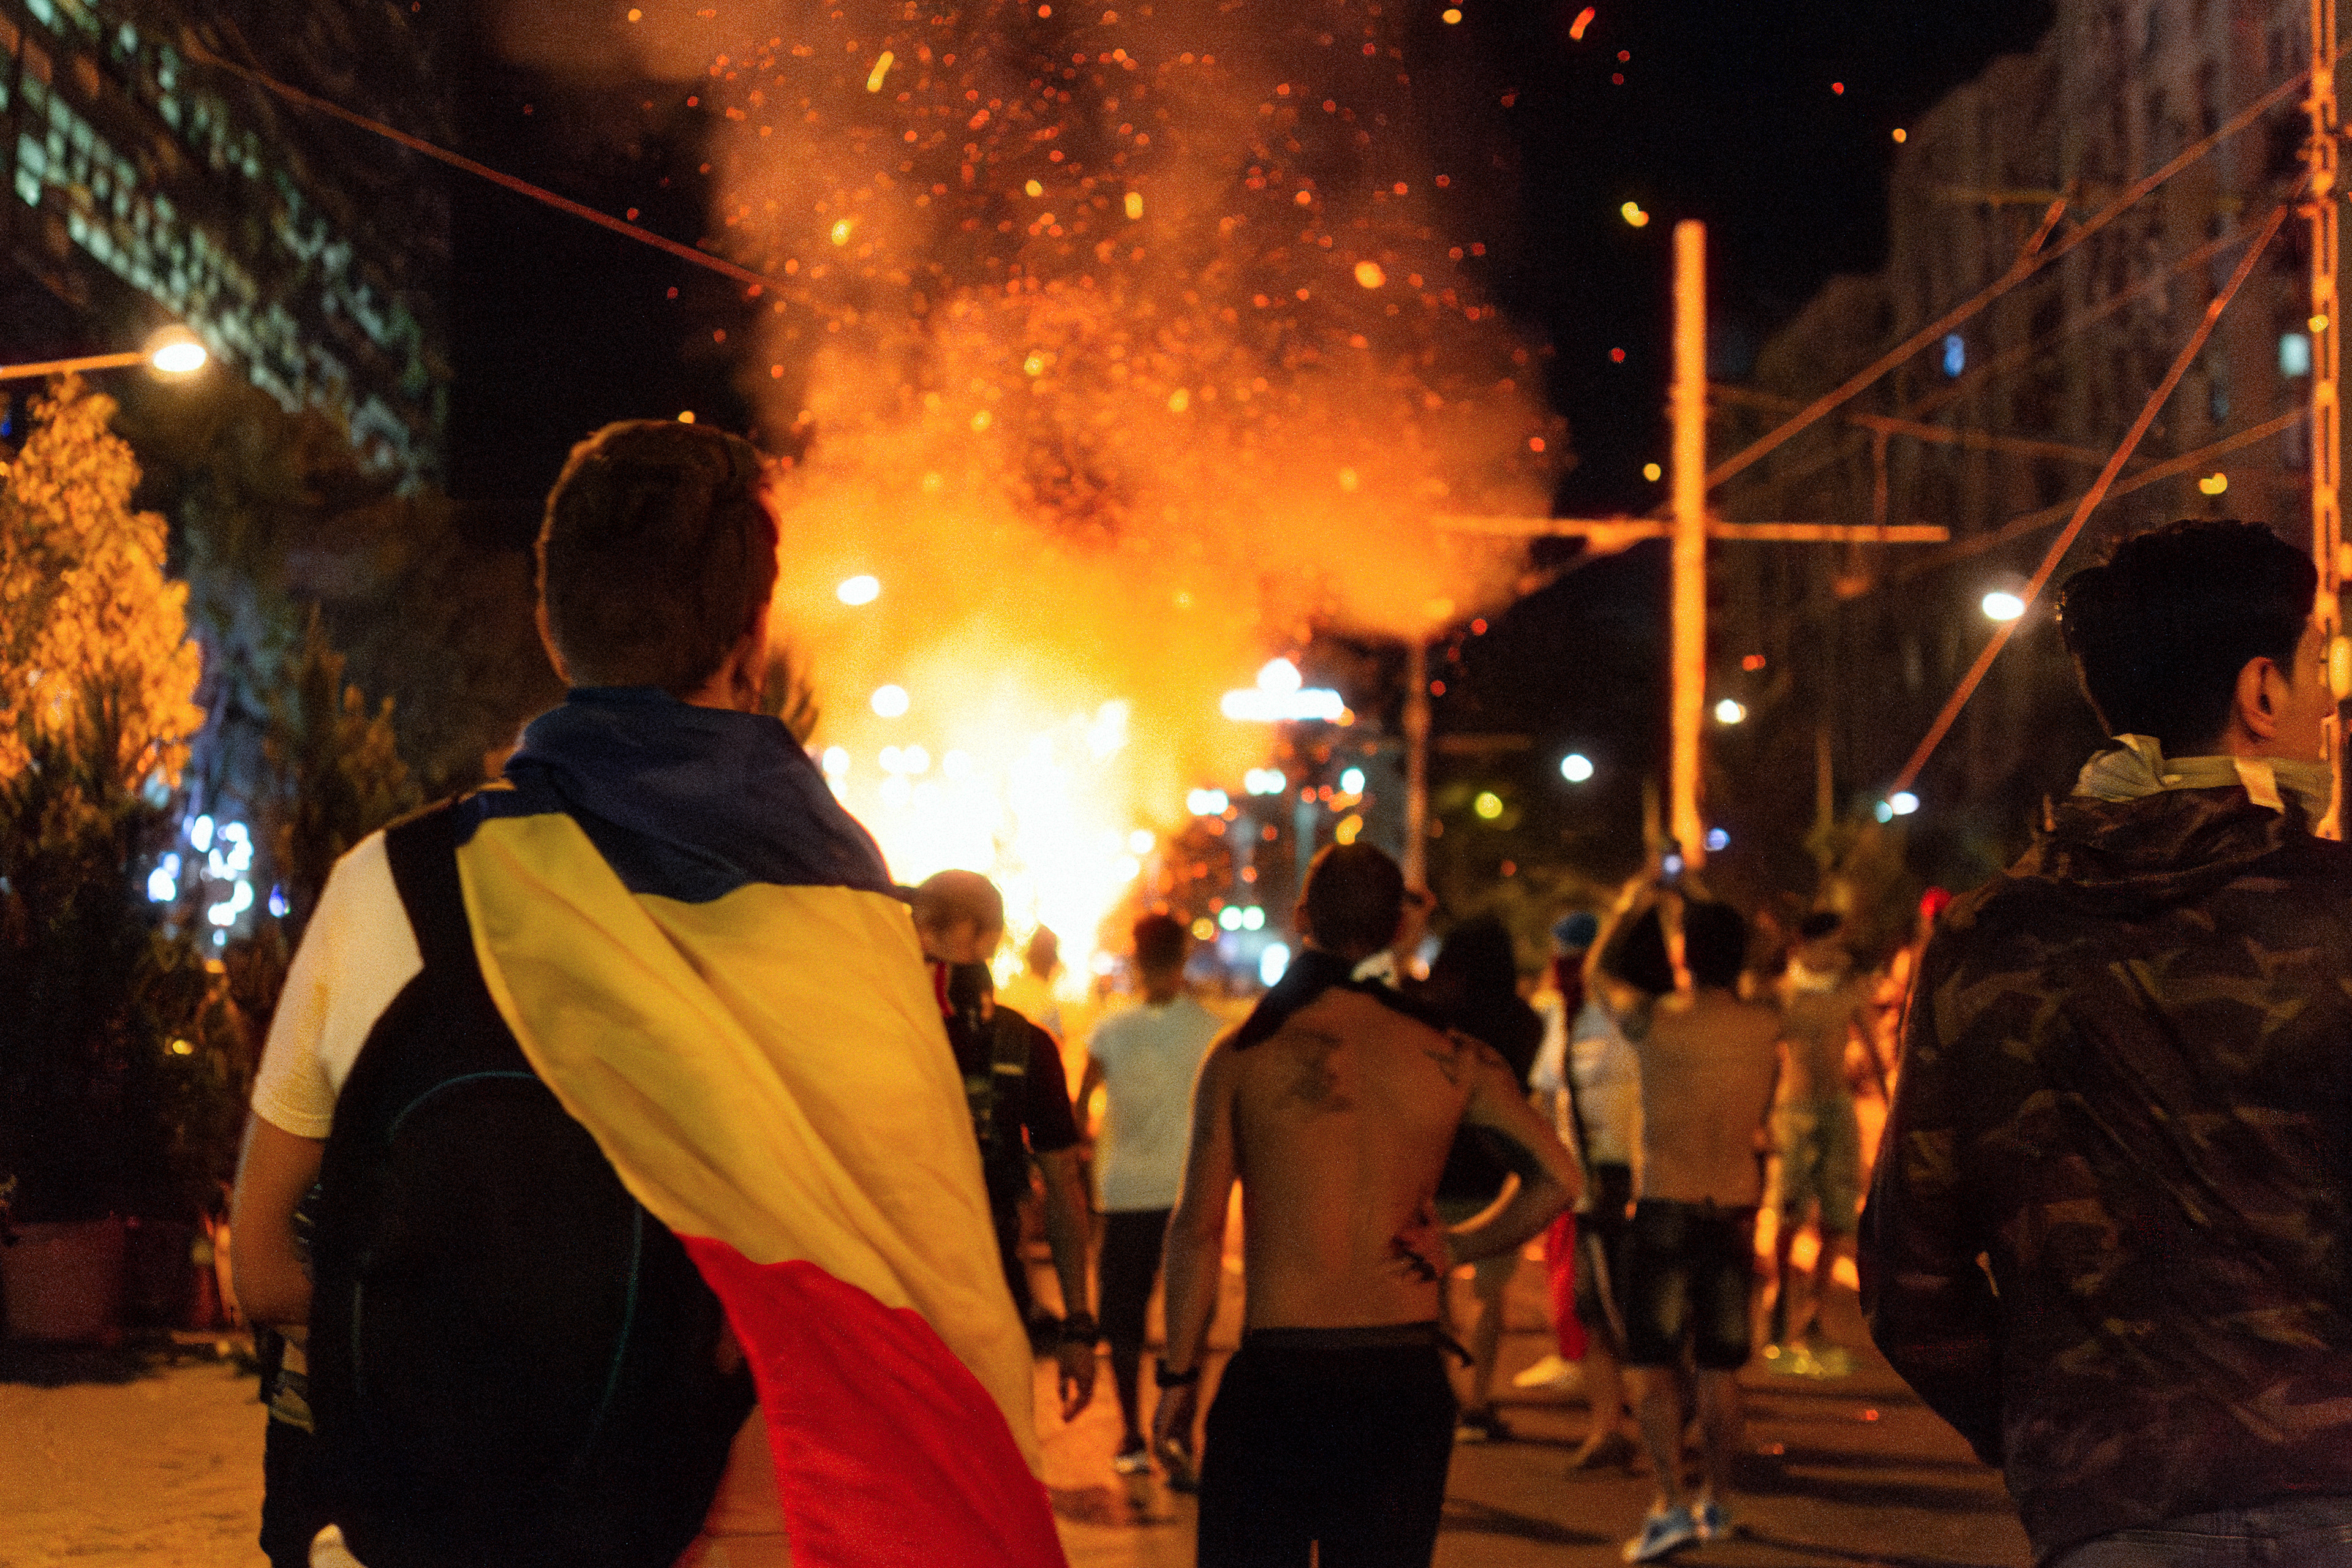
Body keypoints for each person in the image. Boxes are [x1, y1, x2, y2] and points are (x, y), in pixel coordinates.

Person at [230, 420, 1063, 1568]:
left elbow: (264, 1266)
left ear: (549, 626)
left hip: (448, 1531)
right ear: (752, 647)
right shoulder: (850, 926)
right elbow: (925, 1285)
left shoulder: (400, 886)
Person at [1863, 519, 2352, 1568]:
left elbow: (1911, 1281)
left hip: (2112, 1516)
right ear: (2261, 691)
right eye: (2319, 669)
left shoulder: (1991, 940)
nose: (2328, 701)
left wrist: (2076, 1447)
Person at [1153, 843, 1578, 1568]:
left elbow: (1196, 1231)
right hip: (1400, 1376)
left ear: (1301, 919)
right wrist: (1459, 1247)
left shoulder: (1244, 1056)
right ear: (1394, 929)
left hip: (1281, 1373)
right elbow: (1559, 1178)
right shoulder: (1453, 1055)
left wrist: (1180, 1374)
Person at [1616, 897, 1782, 1562]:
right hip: (1733, 1202)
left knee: (1651, 1361)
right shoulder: (1766, 1024)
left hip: (1665, 1199)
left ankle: (1668, 1500)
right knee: (1720, 1365)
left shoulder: (1653, 1021)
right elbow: (1771, 969)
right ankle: (1718, 1498)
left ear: (1686, 952)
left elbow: (1601, 970)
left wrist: (1638, 902)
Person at [913, 869, 1099, 1414]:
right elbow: (1064, 1186)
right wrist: (1078, 1326)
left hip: (878, 1301)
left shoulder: (866, 1028)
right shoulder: (1023, 1044)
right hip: (989, 1300)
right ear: (987, 937)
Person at [1074, 911, 1223, 1478]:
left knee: (1123, 1320)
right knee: (1192, 1319)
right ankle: (1181, 1429)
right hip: (1191, 1194)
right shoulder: (1211, 1032)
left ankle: (1132, 1434)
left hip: (1125, 1193)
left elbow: (1081, 1110)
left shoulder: (1110, 1032)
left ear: (1136, 958)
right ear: (1184, 956)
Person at [1417, 913, 1546, 1443]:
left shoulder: (1430, 1015)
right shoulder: (1525, 1022)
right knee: (1492, 1293)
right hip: (1497, 1172)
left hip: (1432, 1166)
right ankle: (1481, 1398)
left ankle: (1444, 1393)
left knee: (1435, 1286)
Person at [1764, 910, 1877, 1375]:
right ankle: (1779, 1299)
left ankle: (1813, 1316)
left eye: (1840, 945)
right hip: (1792, 1110)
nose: (1837, 954)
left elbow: (1873, 1046)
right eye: (1828, 945)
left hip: (1837, 1109)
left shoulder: (1850, 991)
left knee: (1836, 1215)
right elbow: (1762, 1059)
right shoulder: (1780, 995)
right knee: (1790, 1211)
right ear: (1803, 943)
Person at [1515, 910, 1602, 1398]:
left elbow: (1547, 1083)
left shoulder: (1565, 1005)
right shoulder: (1621, 1004)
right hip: (1596, 1158)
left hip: (1575, 1161)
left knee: (1571, 1267)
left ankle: (1579, 1358)